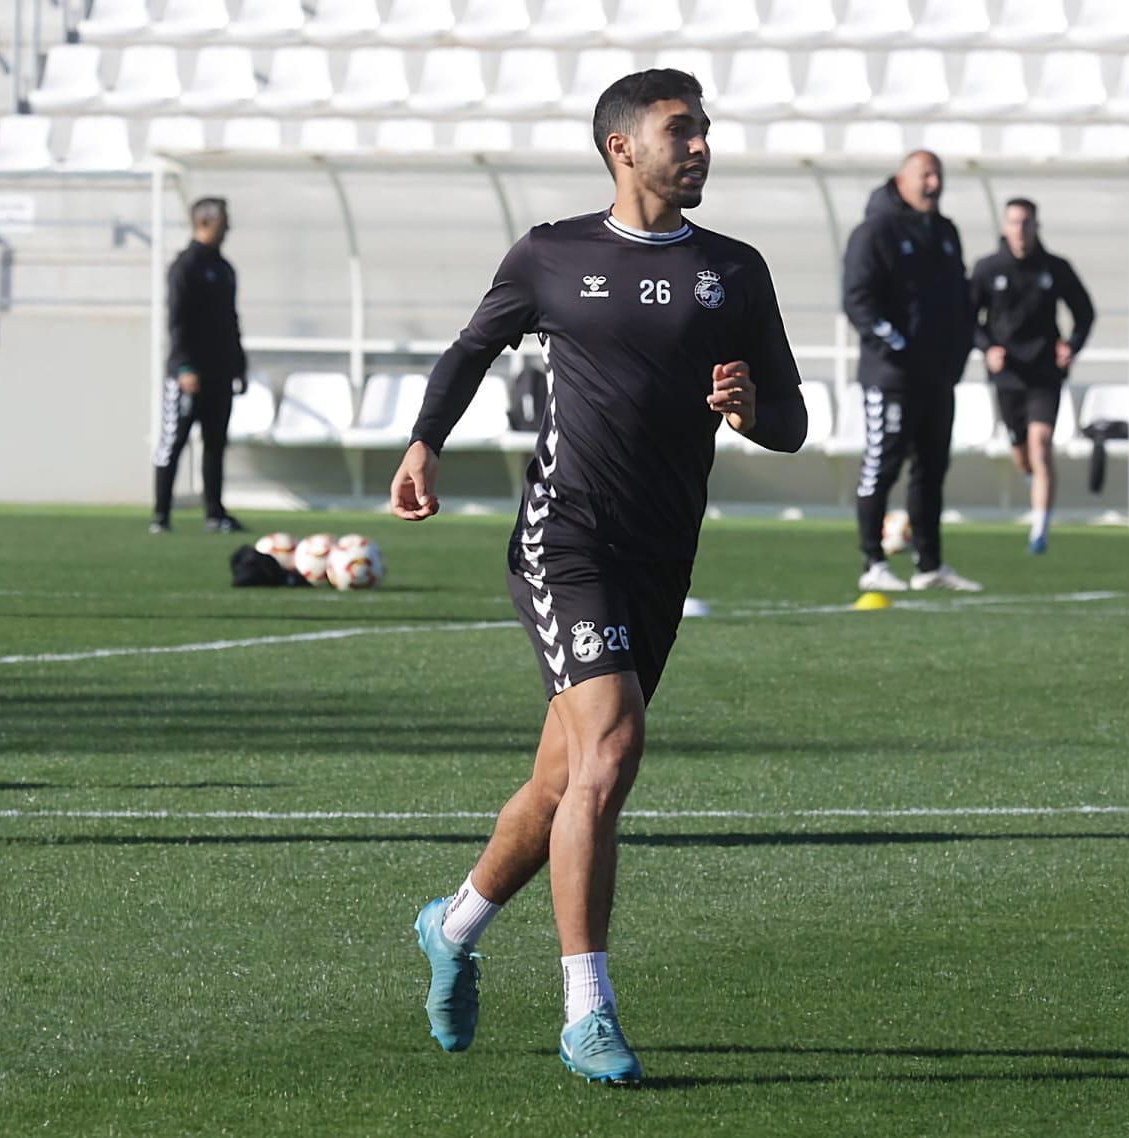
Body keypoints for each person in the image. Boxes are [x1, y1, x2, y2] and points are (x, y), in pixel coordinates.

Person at [389, 69, 807, 1086]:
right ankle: (588, 1009)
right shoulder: (552, 254)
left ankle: (454, 925)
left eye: (703, 129)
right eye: (680, 130)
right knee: (612, 750)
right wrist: (424, 442)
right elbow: (471, 348)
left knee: (561, 780)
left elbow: (792, 423)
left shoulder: (734, 270)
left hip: (662, 555)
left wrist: (751, 410)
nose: (700, 145)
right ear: (622, 146)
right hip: (565, 537)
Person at [841, 150, 982, 594]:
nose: (934, 183)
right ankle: (873, 561)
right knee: (882, 465)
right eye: (926, 175)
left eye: (938, 174)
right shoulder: (875, 231)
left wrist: (961, 349)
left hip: (938, 377)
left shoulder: (945, 231)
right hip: (892, 377)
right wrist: (898, 346)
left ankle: (929, 565)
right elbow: (857, 300)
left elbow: (959, 298)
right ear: (902, 180)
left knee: (932, 470)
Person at [970, 198, 1095, 555]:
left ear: (1036, 226)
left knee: (1041, 445)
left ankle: (1040, 531)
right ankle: (1033, 480)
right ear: (1004, 226)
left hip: (1044, 372)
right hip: (1008, 374)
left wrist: (1071, 345)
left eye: (1026, 222)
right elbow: (967, 318)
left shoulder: (1054, 268)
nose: (1020, 230)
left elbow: (1084, 312)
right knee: (1022, 454)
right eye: (1014, 222)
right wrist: (987, 348)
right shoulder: (988, 268)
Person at [151, 197, 247, 535]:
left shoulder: (224, 269)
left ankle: (214, 513)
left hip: (220, 373)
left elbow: (231, 321)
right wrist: (184, 367)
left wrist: (239, 364)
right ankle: (161, 515)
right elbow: (177, 322)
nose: (229, 228)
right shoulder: (185, 267)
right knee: (174, 441)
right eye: (224, 221)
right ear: (205, 222)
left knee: (215, 443)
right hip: (189, 374)